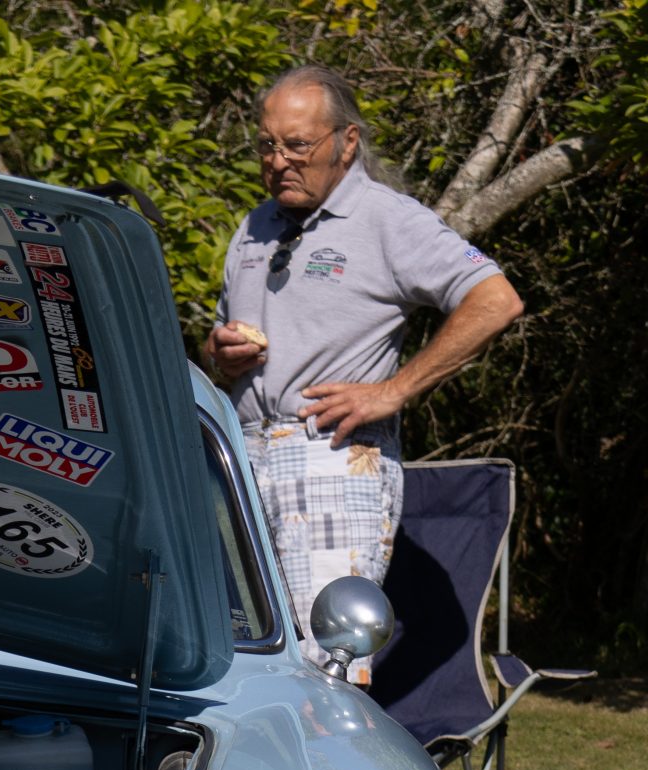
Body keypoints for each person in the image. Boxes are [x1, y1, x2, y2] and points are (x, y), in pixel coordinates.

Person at [204, 65, 524, 663]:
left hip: (330, 456)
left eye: (298, 145)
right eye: (267, 145)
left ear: (347, 142)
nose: (278, 161)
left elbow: (495, 300)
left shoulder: (388, 219)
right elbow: (217, 347)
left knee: (326, 661)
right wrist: (218, 352)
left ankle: (329, 759)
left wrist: (392, 391)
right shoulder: (254, 226)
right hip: (240, 460)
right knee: (237, 653)